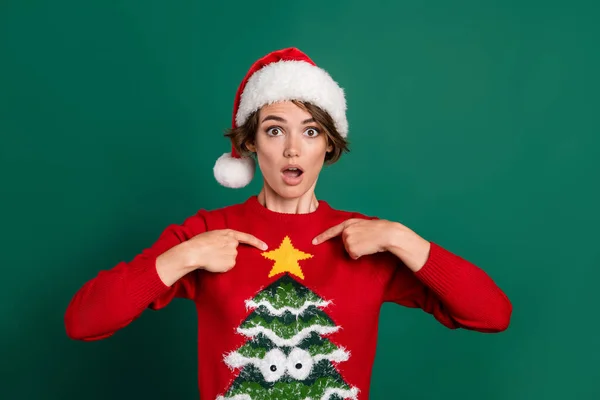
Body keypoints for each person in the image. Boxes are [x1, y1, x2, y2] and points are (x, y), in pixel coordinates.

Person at [65, 47, 512, 399]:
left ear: (328, 146)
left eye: (311, 131)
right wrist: (183, 257)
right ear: (251, 144)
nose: (292, 149)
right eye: (275, 130)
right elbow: (83, 321)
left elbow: (492, 314)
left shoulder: (366, 240)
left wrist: (401, 239)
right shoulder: (207, 232)